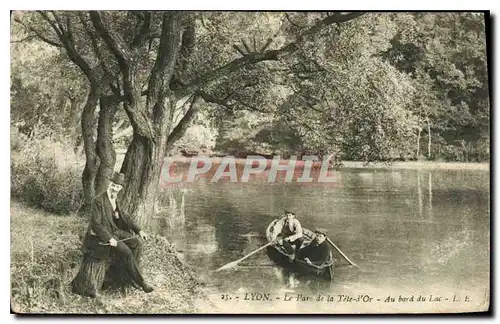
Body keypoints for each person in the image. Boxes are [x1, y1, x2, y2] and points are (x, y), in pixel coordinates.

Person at [83, 171, 154, 293]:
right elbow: (96, 224)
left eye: (118, 187)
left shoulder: (116, 200)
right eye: (113, 185)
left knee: (137, 243)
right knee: (127, 252)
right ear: (109, 184)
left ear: (121, 188)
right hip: (104, 236)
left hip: (116, 232)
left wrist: (139, 230)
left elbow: (126, 217)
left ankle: (127, 277)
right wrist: (109, 238)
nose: (115, 189)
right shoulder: (98, 201)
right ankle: (141, 283)